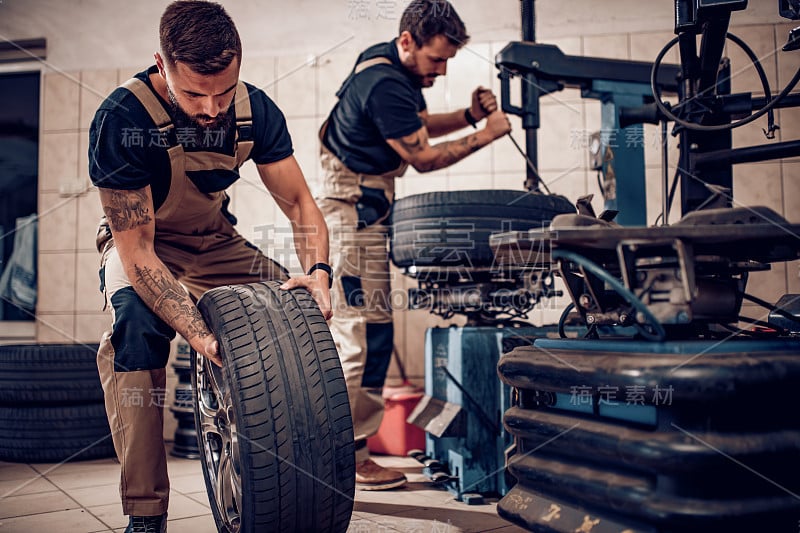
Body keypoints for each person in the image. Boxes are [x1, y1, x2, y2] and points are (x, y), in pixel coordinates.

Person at [88, 2, 332, 531]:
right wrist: (199, 331)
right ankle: (147, 512)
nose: (211, 106)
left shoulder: (254, 112)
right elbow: (138, 254)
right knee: (136, 328)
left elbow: (300, 205)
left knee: (296, 313)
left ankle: (308, 472)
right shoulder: (122, 120)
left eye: (223, 90)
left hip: (216, 239)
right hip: (141, 244)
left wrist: (318, 272)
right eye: (195, 93)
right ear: (161, 63)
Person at [316, 0, 512, 490]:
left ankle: (347, 451)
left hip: (365, 205)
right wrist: (487, 133)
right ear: (408, 41)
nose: (441, 71)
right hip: (353, 210)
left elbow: (413, 129)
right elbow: (422, 157)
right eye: (435, 60)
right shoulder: (385, 83)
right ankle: (348, 457)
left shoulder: (384, 65)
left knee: (372, 334)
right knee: (363, 336)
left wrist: (468, 115)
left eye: (447, 61)